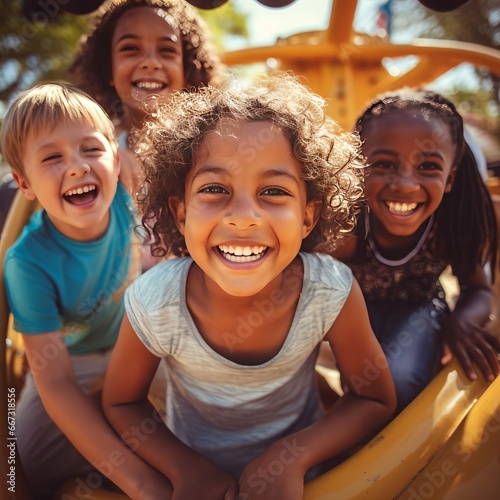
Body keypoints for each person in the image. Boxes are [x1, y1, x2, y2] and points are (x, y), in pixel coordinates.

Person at [102, 73, 396, 500]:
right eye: (215, 189)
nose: (244, 216)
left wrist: (292, 457)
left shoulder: (329, 291)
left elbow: (374, 399)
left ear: (308, 217)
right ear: (181, 215)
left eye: (273, 191)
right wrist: (185, 469)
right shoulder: (154, 302)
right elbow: (121, 404)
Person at [0, 83, 173, 499]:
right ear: (25, 184)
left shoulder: (124, 195)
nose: (77, 167)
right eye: (53, 157)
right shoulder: (27, 262)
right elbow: (56, 383)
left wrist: (128, 158)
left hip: (134, 346)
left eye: (90, 150)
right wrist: (139, 481)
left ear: (115, 159)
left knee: (199, 414)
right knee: (27, 459)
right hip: (70, 362)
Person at [332, 88, 500, 414]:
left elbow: (477, 289)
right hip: (348, 311)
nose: (406, 184)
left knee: (401, 380)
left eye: (427, 167)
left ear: (450, 178)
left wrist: (462, 321)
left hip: (419, 306)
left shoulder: (452, 222)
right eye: (383, 164)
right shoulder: (344, 225)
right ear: (356, 166)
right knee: (364, 385)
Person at [70, 0, 225, 198]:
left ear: (187, 69)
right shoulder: (91, 149)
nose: (151, 62)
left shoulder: (212, 146)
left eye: (167, 50)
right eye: (131, 48)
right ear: (108, 68)